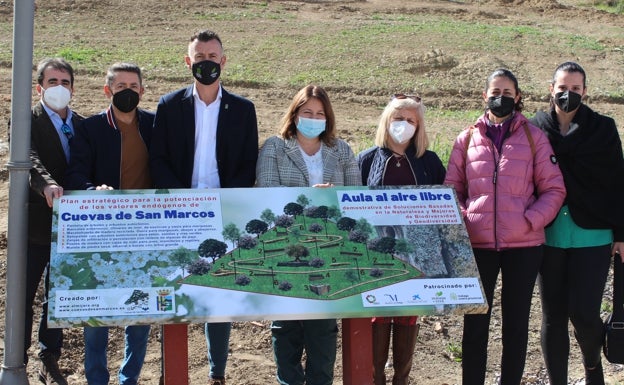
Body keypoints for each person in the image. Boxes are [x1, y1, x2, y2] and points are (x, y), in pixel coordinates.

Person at [444, 68, 566, 385]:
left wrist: (531, 220)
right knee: (475, 325)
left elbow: (554, 189)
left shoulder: (533, 137)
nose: (501, 98)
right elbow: (451, 191)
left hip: (524, 247)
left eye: (508, 93)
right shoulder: (466, 139)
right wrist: (466, 220)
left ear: (518, 97)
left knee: (515, 324)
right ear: (485, 96)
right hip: (477, 246)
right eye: (495, 93)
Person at [150, 29, 258, 385]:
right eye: (199, 58)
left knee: (219, 294)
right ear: (188, 62)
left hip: (223, 213)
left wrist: (226, 203)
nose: (206, 64)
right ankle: (175, 373)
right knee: (177, 287)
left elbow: (246, 163)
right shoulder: (168, 105)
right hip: (180, 213)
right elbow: (160, 159)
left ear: (223, 61)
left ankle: (217, 373)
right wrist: (185, 201)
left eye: (212, 58)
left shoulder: (243, 109)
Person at [256, 84, 360, 385]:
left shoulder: (340, 150)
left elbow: (354, 198)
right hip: (283, 249)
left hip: (327, 254)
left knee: (322, 333)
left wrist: (331, 199)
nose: (313, 118)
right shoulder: (274, 147)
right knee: (286, 330)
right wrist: (307, 199)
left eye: (320, 113)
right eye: (307, 112)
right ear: (295, 114)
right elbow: (266, 195)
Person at [530, 61, 624, 385]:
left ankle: (592, 368)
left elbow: (618, 182)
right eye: (562, 88)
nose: (567, 94)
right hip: (548, 235)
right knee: (553, 317)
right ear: (551, 89)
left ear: (585, 91)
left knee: (584, 314)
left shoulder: (604, 128)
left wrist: (622, 233)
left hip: (593, 235)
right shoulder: (535, 128)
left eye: (575, 89)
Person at [65, 62, 153, 385]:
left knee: (141, 313)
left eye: (133, 86)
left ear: (142, 91)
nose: (127, 92)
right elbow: (75, 173)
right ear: (108, 90)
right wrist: (92, 189)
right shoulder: (89, 130)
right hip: (101, 232)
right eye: (120, 87)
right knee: (97, 315)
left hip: (144, 233)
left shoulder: (155, 127)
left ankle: (129, 378)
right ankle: (97, 379)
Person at [357, 93, 446, 385]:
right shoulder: (367, 160)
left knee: (408, 315)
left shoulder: (429, 162)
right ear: (387, 120)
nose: (403, 124)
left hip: (415, 257)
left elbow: (444, 206)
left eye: (410, 120)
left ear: (419, 127)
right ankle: (376, 379)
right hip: (378, 258)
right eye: (398, 118)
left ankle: (401, 380)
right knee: (377, 317)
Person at [23, 57, 84, 385]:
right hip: (34, 225)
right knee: (24, 293)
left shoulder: (82, 124)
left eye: (65, 82)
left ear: (73, 88)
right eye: (52, 82)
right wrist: (46, 183)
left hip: (71, 229)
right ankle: (16, 361)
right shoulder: (26, 120)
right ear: (39, 87)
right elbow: (27, 158)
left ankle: (49, 357)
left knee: (57, 295)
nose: (59, 88)